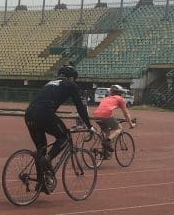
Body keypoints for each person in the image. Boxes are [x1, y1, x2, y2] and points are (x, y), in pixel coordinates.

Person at [24, 63, 94, 193]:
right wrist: (89, 126)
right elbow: (80, 107)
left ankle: (41, 183)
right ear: (72, 77)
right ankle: (48, 159)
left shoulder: (50, 83)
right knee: (65, 137)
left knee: (41, 150)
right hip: (44, 113)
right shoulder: (70, 84)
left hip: (29, 113)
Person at [94, 84, 135, 157]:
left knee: (107, 131)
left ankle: (105, 152)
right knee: (119, 128)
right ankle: (107, 141)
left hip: (96, 116)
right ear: (120, 93)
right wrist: (131, 124)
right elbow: (126, 113)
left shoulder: (106, 98)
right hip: (106, 116)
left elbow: (104, 108)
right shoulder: (120, 99)